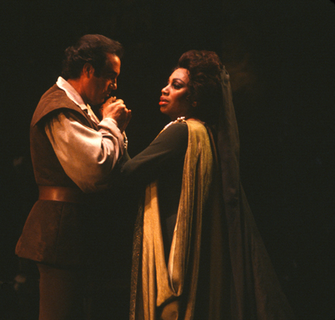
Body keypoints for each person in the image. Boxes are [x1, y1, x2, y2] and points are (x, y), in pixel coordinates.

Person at [121, 50, 294, 320]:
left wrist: (114, 127)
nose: (165, 90)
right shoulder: (205, 133)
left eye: (176, 86)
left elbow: (128, 172)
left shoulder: (181, 131)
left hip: (172, 254)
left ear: (195, 97)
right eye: (168, 83)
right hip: (196, 258)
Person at [15, 34, 131, 320]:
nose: (114, 86)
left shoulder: (80, 107)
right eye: (110, 76)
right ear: (89, 70)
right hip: (59, 232)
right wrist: (110, 123)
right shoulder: (60, 107)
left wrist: (112, 127)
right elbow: (96, 169)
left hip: (74, 231)